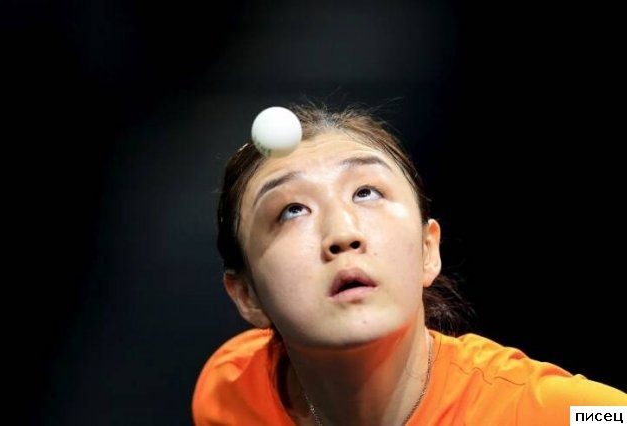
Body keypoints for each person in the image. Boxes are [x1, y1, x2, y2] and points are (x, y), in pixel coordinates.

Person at [191, 103, 626, 425]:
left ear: (427, 250)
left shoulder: (547, 411)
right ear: (246, 295)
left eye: (366, 192)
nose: (342, 232)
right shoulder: (230, 390)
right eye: (292, 211)